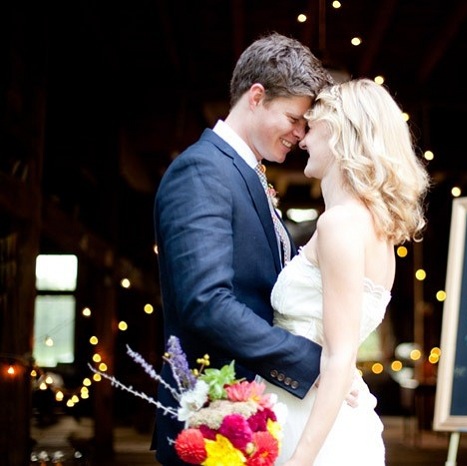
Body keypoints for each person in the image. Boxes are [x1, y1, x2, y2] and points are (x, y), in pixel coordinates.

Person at [151, 32, 334, 465]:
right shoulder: (202, 170)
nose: (299, 133)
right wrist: (312, 362)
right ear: (256, 96)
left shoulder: (245, 173)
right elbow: (206, 302)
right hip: (214, 423)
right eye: (293, 117)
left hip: (255, 416)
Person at [266, 78, 430, 465]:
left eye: (313, 127)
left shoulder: (339, 224)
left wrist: (300, 460)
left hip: (307, 422)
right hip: (328, 412)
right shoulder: (378, 229)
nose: (302, 139)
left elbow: (339, 357)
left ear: (339, 134)